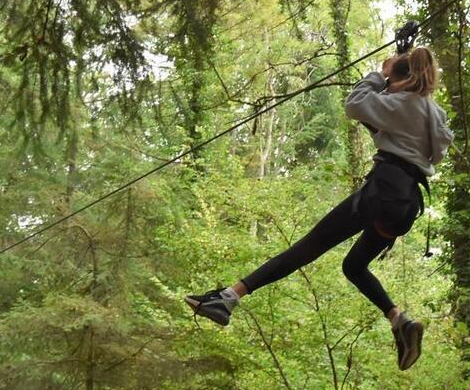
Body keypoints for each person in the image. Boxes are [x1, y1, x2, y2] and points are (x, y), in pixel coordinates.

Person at [185, 46, 454, 370]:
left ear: (402, 78)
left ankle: (228, 299)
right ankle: (400, 322)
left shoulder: (400, 103)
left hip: (382, 191)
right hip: (405, 206)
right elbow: (434, 154)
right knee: (354, 266)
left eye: (394, 78)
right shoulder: (434, 115)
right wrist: (392, 85)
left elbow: (355, 104)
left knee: (308, 247)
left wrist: (379, 75)